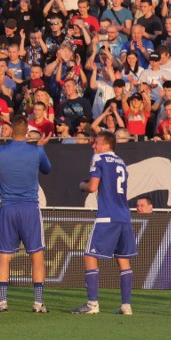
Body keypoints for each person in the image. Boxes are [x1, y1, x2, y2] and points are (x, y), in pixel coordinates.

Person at [72, 131, 137, 315]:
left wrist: (82, 185)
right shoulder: (121, 162)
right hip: (124, 215)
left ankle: (92, 304)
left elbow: (92, 187)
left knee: (89, 256)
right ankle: (126, 305)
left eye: (97, 143)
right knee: (124, 260)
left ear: (106, 145)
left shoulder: (98, 159)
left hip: (107, 215)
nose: (94, 146)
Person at [0, 116, 51, 313]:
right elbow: (47, 169)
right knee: (37, 256)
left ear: (10, 131)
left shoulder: (0, 151)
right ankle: (38, 302)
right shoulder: (36, 151)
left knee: (4, 257)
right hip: (29, 208)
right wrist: (40, 147)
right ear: (27, 132)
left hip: (8, 208)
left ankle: (2, 302)